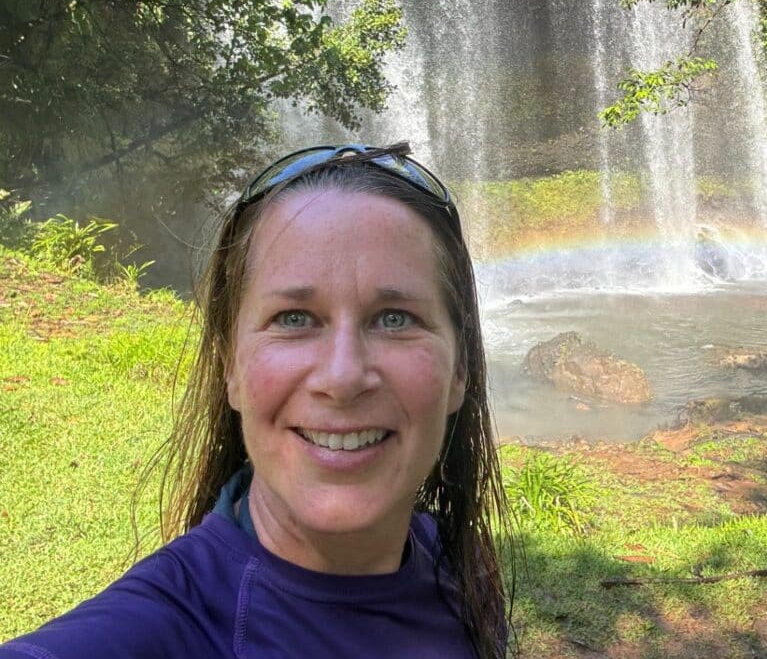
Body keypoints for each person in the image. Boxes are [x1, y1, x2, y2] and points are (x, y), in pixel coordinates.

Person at [0, 142, 511, 659]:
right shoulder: (153, 631)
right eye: (293, 318)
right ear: (231, 368)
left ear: (460, 370)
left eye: (395, 318)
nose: (343, 376)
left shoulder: (462, 570)